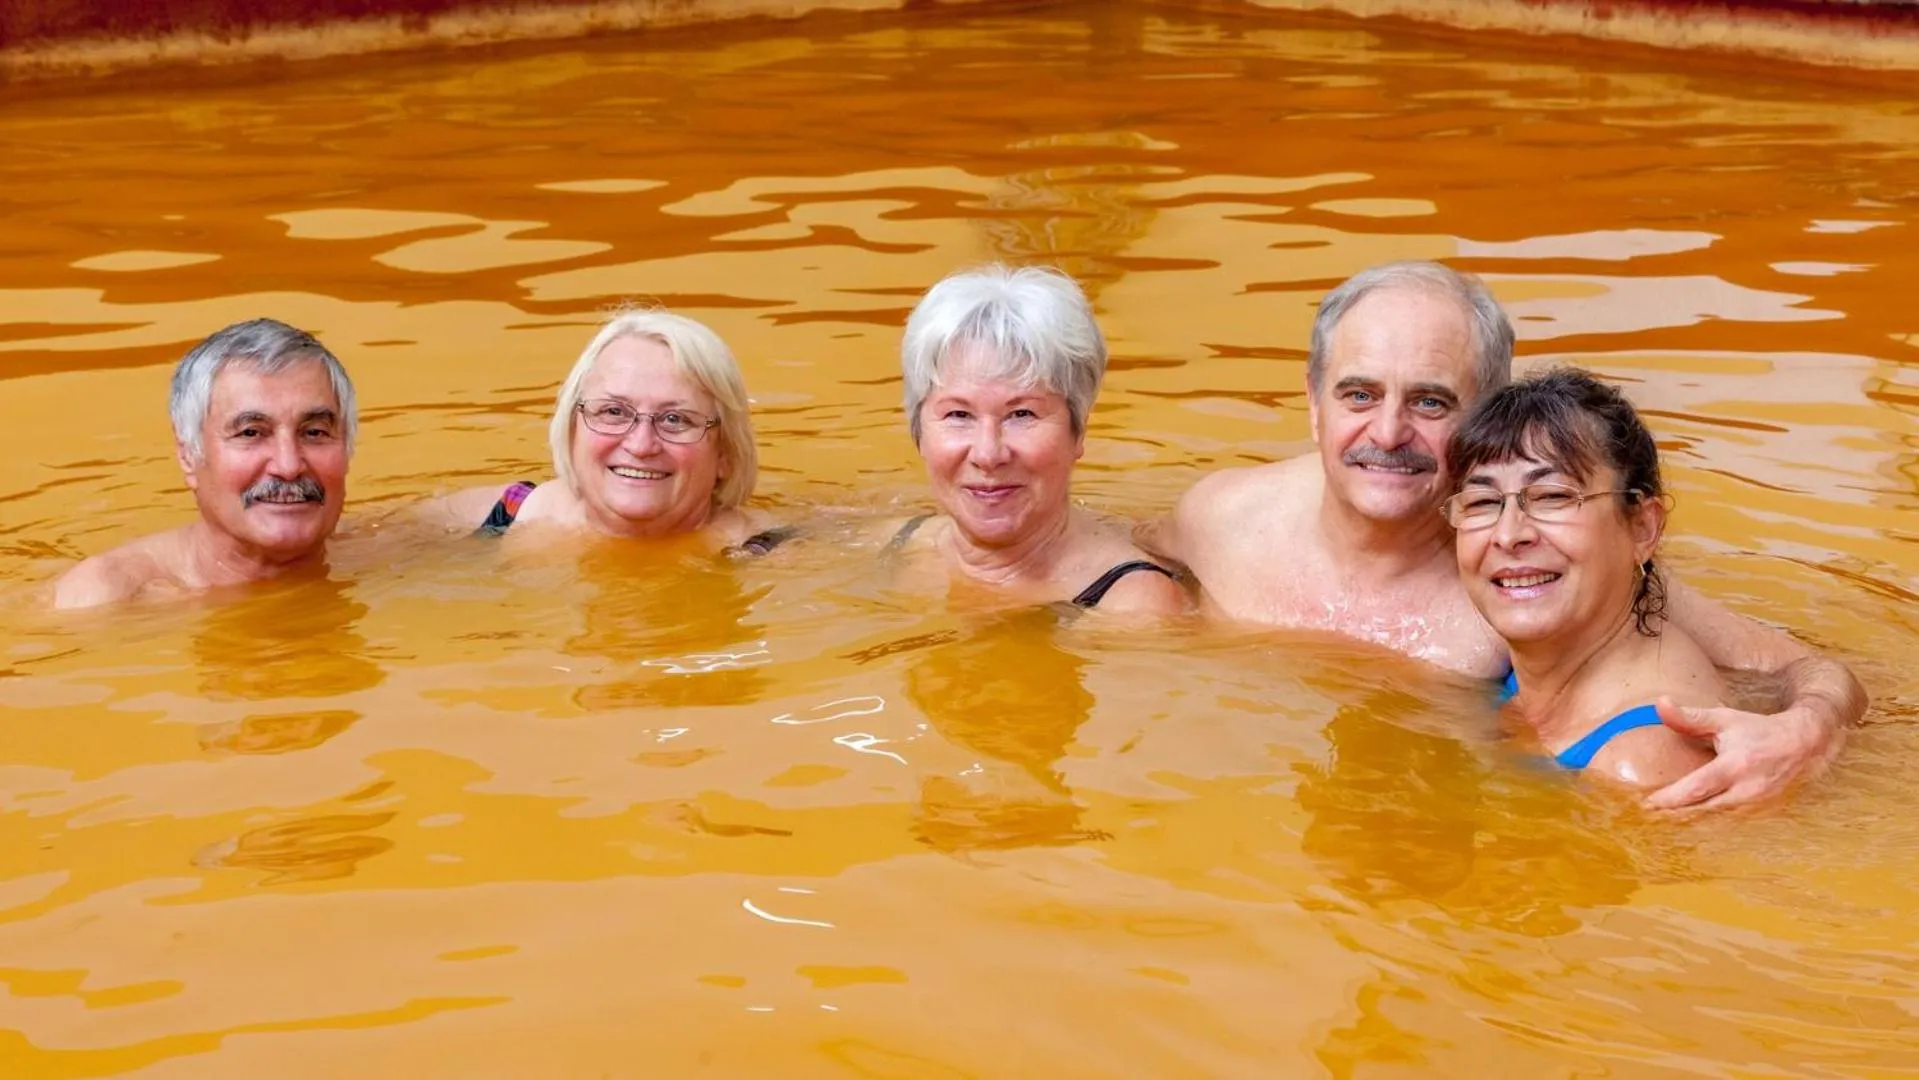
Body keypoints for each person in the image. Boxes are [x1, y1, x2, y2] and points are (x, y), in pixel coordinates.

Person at [1152, 260, 1865, 808]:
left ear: (1488, 420)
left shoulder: (1535, 575)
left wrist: (1809, 728)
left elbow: (1806, 669)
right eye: (1359, 394)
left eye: (1430, 400)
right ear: (1314, 405)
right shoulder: (1221, 517)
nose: (1388, 432)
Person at [1446, 368, 1717, 786]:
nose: (1509, 534)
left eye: (1553, 496)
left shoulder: (1643, 762)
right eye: (1483, 501)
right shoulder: (1533, 662)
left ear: (1643, 528)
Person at [886, 264, 1186, 616]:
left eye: (1021, 414)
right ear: (918, 432)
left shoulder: (1132, 605)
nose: (988, 453)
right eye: (959, 415)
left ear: (1078, 431)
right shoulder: (898, 544)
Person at [53, 318, 355, 610]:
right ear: (188, 455)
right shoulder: (110, 599)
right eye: (250, 432)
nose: (288, 466)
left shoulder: (382, 550)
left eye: (314, 432)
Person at [436, 309, 775, 550]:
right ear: (571, 428)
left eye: (676, 419)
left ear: (726, 453)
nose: (641, 445)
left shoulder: (769, 555)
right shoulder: (492, 518)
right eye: (613, 412)